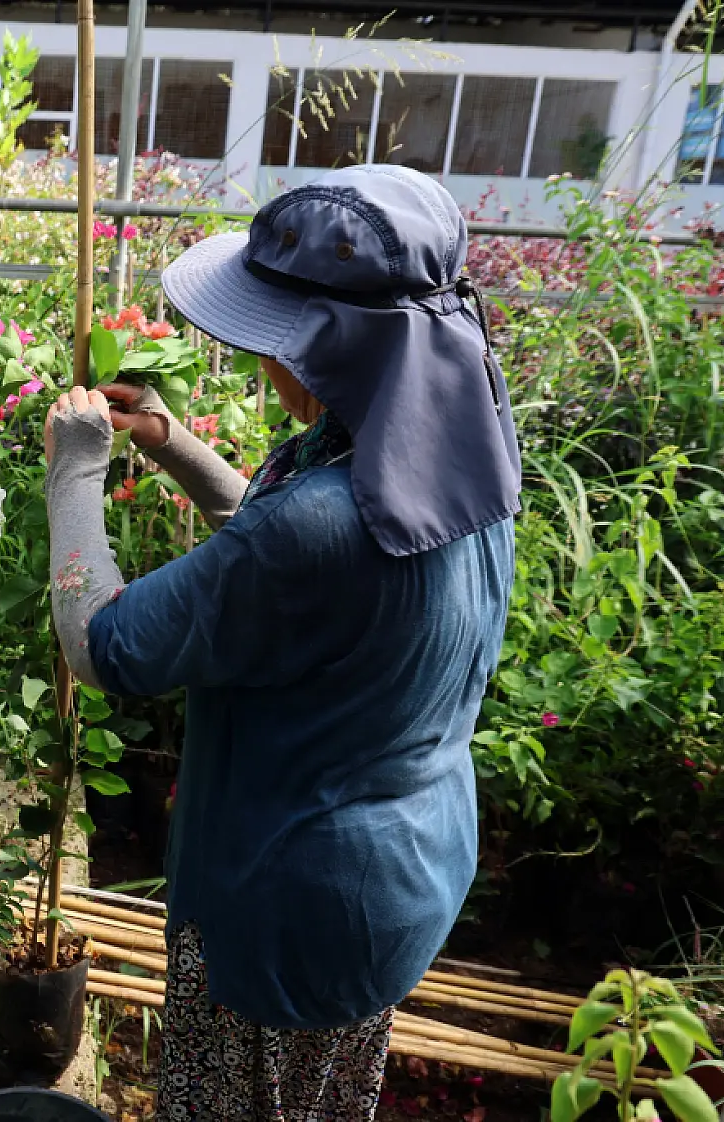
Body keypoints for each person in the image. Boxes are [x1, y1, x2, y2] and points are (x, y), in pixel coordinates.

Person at [43, 165, 521, 1121]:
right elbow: (292, 547)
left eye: (272, 341)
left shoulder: (317, 524)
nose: (262, 361)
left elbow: (104, 645)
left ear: (332, 352)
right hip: (393, 878)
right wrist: (172, 441)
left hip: (286, 906)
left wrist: (75, 470)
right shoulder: (456, 446)